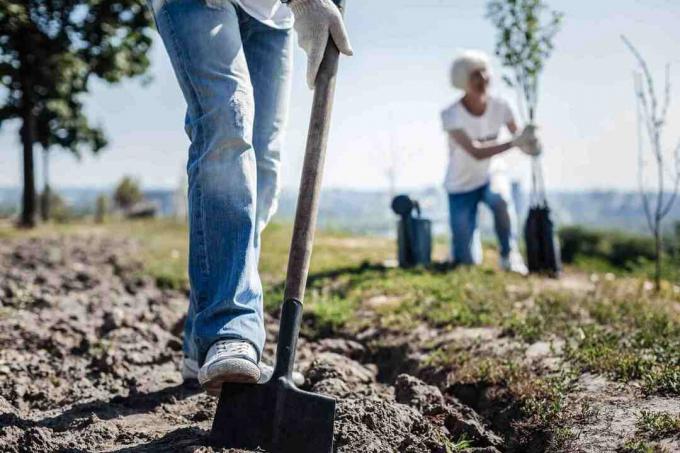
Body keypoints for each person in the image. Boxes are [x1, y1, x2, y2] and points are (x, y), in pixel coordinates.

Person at [147, 0, 352, 394]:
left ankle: (200, 341)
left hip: (270, 15)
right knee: (228, 122)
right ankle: (229, 328)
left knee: (264, 171)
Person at [441, 50, 540, 274]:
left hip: (490, 175)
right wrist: (516, 142)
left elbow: (521, 140)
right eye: (475, 75)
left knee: (501, 200)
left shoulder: (501, 107)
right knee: (466, 262)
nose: (482, 78)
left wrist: (532, 144)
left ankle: (509, 255)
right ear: (462, 81)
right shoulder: (450, 115)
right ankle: (463, 245)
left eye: (484, 72)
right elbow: (475, 152)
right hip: (460, 184)